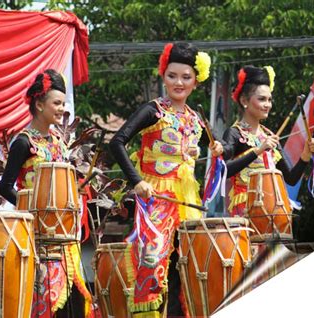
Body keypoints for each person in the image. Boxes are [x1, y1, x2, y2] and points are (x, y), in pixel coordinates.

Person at [109, 42, 225, 317]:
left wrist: (214, 150)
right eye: (172, 75)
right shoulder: (154, 110)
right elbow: (118, 141)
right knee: (152, 262)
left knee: (187, 266)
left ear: (197, 81)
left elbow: (197, 155)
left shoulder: (196, 119)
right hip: (156, 199)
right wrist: (137, 181)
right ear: (163, 76)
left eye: (186, 77)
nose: (179, 82)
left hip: (187, 200)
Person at [0, 69, 93, 318]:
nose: (62, 108)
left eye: (63, 103)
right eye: (57, 103)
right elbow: (5, 186)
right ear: (39, 104)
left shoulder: (58, 140)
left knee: (73, 297)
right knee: (45, 295)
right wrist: (31, 209)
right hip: (37, 233)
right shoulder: (23, 142)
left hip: (64, 233)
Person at [223, 65, 314, 216]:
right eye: (262, 99)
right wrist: (258, 150)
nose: (268, 105)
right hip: (245, 210)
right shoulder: (234, 133)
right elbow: (224, 170)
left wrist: (305, 154)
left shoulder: (269, 136)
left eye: (269, 100)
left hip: (271, 209)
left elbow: (291, 178)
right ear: (244, 101)